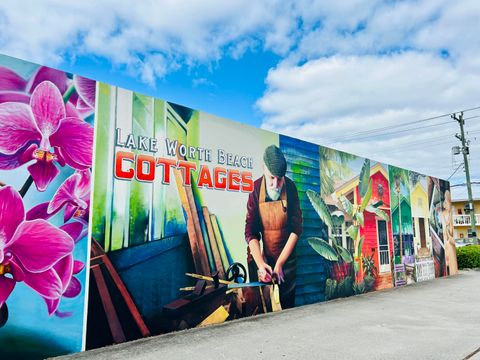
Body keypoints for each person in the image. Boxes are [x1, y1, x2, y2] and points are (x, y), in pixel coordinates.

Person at [244, 145, 302, 309]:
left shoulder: (290, 188)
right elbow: (250, 232)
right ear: (264, 168)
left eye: (280, 178)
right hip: (264, 257)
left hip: (287, 261)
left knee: (286, 306)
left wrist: (280, 264)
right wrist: (261, 264)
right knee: (263, 305)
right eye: (271, 178)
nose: (276, 184)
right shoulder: (255, 189)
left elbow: (296, 230)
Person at [442, 190, 458, 275]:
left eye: (446, 201)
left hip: (449, 244)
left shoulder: (449, 215)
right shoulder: (443, 214)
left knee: (451, 263)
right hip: (447, 242)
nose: (444, 204)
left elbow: (450, 233)